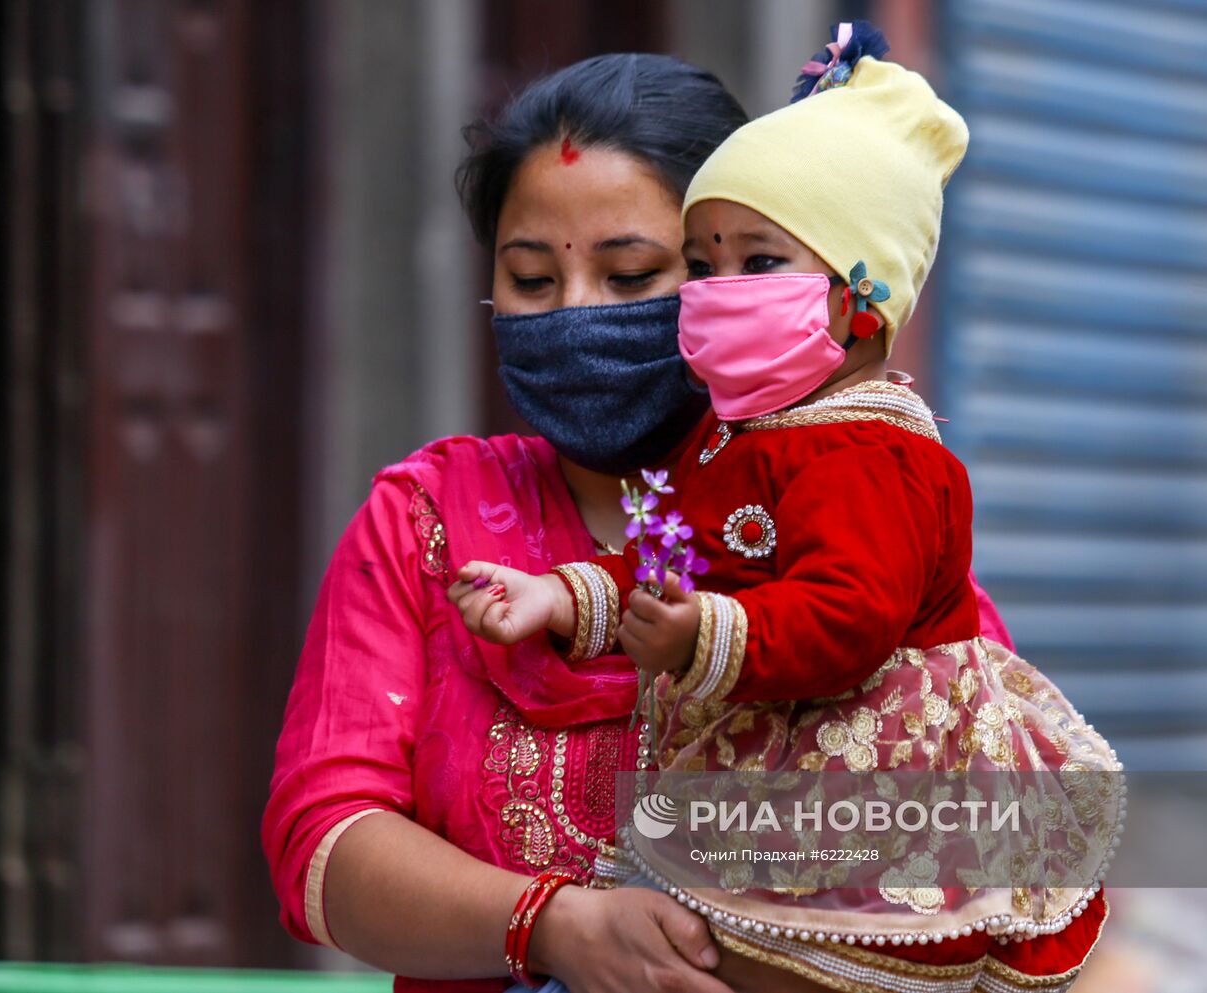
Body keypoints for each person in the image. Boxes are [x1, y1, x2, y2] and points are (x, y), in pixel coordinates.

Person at [263, 47, 1016, 993]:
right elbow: (322, 839)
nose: (576, 315)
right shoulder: (427, 521)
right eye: (533, 281)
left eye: (633, 276)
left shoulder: (850, 505)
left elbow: (992, 829)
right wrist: (551, 926)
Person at [449, 23, 1121, 993]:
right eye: (703, 262)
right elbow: (674, 557)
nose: (717, 293)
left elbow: (848, 614)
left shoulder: (872, 455)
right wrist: (561, 600)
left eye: (757, 265)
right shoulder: (733, 438)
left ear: (858, 303)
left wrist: (703, 633)